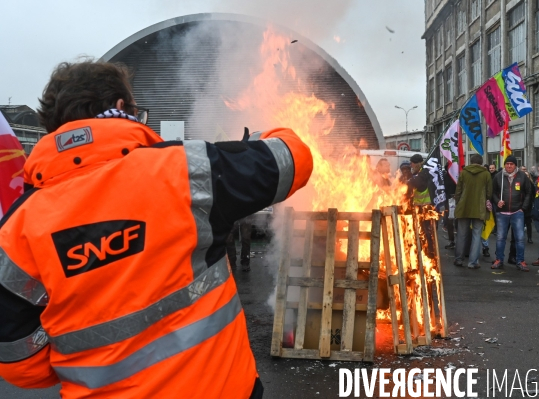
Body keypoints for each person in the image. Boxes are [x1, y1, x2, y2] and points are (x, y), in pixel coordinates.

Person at [0, 61, 313, 398]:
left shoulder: (17, 229)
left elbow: (19, 363)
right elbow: (293, 160)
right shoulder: (182, 171)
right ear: (121, 108)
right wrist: (260, 139)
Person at [491, 156, 532, 271]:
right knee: (500, 238)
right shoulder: (498, 176)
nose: (509, 166)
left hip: (517, 212)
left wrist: (523, 208)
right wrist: (496, 201)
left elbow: (529, 192)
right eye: (507, 164)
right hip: (502, 213)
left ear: (515, 165)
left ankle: (520, 261)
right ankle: (499, 260)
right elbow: (492, 192)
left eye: (511, 164)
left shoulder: (522, 176)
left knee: (519, 238)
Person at [453, 154, 492, 269]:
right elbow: (489, 192)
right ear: (481, 162)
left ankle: (459, 259)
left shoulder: (464, 173)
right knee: (476, 235)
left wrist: (458, 205)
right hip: (479, 209)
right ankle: (473, 262)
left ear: (470, 161)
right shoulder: (486, 174)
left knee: (461, 234)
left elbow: (458, 191)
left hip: (464, 207)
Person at [407, 153, 438, 258]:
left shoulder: (423, 174)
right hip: (422, 206)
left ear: (417, 164)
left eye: (412, 164)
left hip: (425, 207)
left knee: (426, 229)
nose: (410, 166)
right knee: (424, 229)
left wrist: (409, 182)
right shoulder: (422, 172)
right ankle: (428, 249)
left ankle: (430, 251)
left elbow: (419, 185)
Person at [442, 163, 456, 249]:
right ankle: (452, 241)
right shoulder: (445, 177)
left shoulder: (457, 176)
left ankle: (463, 243)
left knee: (460, 223)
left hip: (458, 200)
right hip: (449, 201)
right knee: (450, 222)